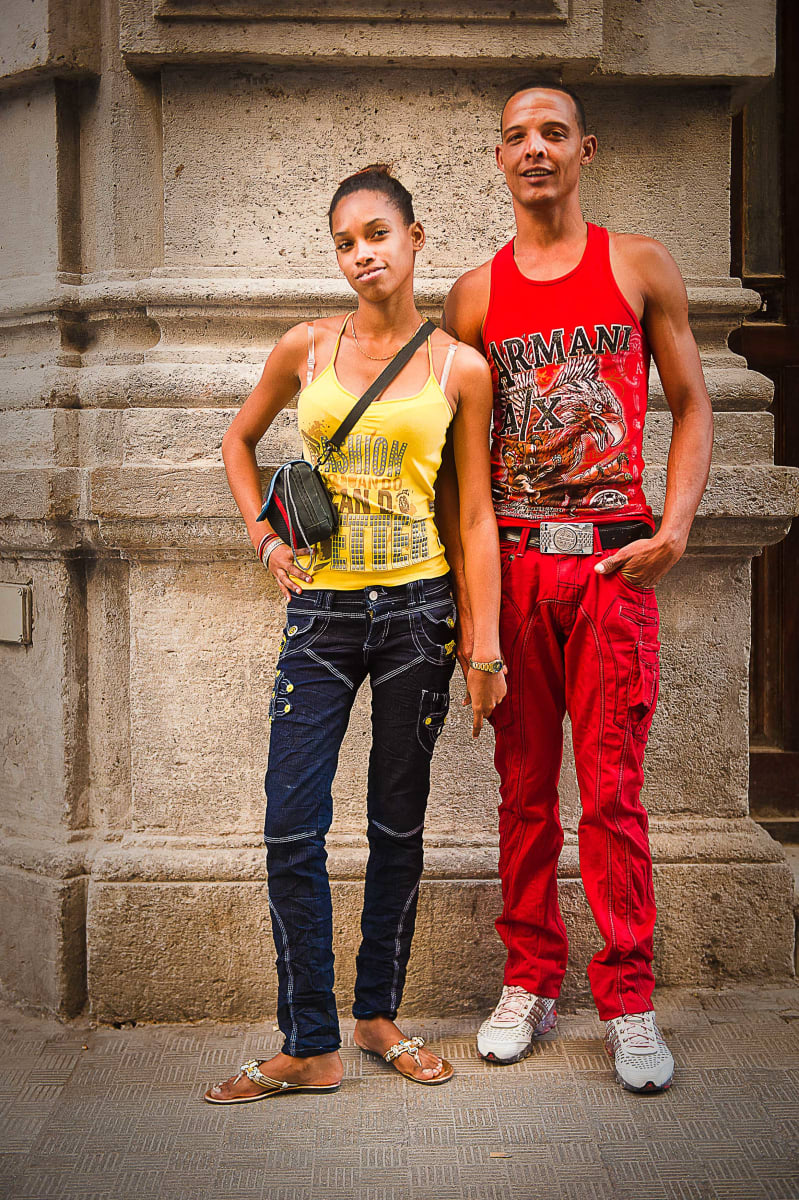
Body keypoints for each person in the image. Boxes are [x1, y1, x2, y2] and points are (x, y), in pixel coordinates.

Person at [205, 164, 506, 1103]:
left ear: (414, 239)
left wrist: (482, 648)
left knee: (395, 829)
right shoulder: (305, 348)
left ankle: (377, 1017)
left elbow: (474, 517)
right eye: (344, 241)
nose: (361, 254)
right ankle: (310, 1042)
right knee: (290, 827)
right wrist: (263, 535)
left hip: (419, 616)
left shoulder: (460, 367)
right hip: (320, 618)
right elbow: (238, 440)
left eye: (376, 233)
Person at [443, 84, 713, 1093]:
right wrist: (477, 627)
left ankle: (631, 1002)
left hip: (610, 563)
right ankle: (528, 980)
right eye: (515, 137)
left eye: (552, 132)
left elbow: (690, 405)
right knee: (522, 794)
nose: (534, 149)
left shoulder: (636, 265)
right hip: (514, 567)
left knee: (611, 795)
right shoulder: (473, 295)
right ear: (498, 158)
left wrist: (674, 530)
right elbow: (462, 478)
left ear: (584, 149)